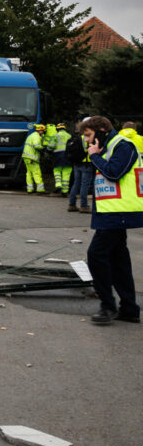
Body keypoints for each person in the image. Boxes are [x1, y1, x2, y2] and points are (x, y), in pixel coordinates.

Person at [81, 115, 143, 325]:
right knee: (118, 260)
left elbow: (114, 173)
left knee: (96, 255)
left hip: (121, 212)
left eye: (89, 135)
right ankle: (129, 309)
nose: (88, 141)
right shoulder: (108, 146)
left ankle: (108, 306)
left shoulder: (123, 146)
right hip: (112, 211)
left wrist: (94, 156)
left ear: (101, 130)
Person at [66, 122, 92, 213]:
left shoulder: (76, 138)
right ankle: (84, 206)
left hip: (76, 164)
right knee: (84, 185)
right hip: (86, 164)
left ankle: (72, 204)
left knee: (76, 184)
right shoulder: (87, 138)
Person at [21, 123, 46, 194]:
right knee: (36, 172)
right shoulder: (36, 136)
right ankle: (40, 189)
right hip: (32, 158)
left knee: (29, 173)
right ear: (40, 130)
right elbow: (37, 146)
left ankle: (30, 189)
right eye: (43, 131)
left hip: (27, 157)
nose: (43, 132)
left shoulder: (31, 135)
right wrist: (44, 148)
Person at [51, 123, 72, 196]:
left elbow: (51, 146)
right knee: (66, 173)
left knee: (57, 170)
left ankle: (58, 185)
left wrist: (47, 149)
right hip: (68, 156)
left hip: (58, 155)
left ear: (57, 129)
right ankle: (65, 191)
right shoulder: (69, 136)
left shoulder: (55, 135)